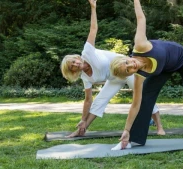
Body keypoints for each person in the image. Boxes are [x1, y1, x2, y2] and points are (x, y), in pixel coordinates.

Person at [110, 0, 183, 150]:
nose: (131, 66)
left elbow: (141, 19)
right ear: (130, 74)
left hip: (181, 57)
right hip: (163, 68)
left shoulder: (140, 45)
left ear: (127, 57)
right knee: (145, 97)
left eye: (127, 63)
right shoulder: (139, 76)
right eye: (128, 70)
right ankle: (130, 140)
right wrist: (126, 130)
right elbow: (135, 105)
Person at [60, 0, 165, 137]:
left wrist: (93, 7)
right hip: (114, 77)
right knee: (99, 100)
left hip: (127, 69)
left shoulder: (87, 52)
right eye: (72, 67)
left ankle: (159, 127)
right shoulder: (85, 77)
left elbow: (93, 29)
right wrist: (82, 120)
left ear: (77, 58)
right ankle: (82, 129)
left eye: (73, 61)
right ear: (72, 71)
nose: (75, 64)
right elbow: (88, 100)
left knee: (142, 95)